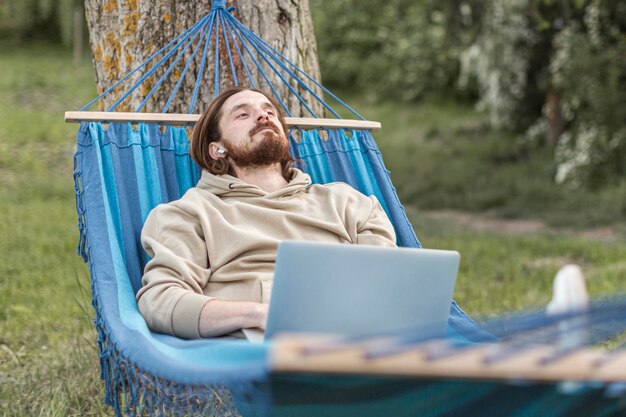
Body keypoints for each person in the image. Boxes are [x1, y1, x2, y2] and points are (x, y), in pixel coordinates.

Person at [136, 87, 397, 339]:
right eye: (243, 114)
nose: (264, 116)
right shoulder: (190, 213)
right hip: (261, 345)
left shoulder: (348, 202)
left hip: (357, 334)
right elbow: (160, 300)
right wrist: (257, 314)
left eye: (269, 111)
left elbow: (390, 284)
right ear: (217, 149)